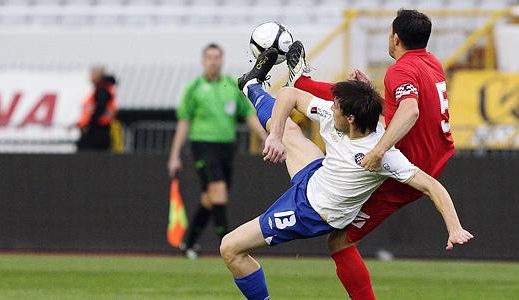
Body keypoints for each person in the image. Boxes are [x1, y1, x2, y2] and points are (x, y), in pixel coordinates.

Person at [220, 48, 473, 300]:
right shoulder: (337, 114)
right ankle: (251, 85)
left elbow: (432, 186)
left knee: (230, 248)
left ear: (351, 118)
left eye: (337, 106)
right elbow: (289, 94)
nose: (332, 107)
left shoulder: (383, 154)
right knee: (287, 131)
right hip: (315, 176)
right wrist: (273, 137)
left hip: (310, 213)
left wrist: (455, 228)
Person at [285, 9, 456, 299]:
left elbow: (410, 110)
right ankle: (302, 83)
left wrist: (378, 150)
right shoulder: (432, 64)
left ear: (395, 38)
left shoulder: (400, 70)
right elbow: (409, 109)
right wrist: (371, 92)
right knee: (357, 101)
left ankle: (301, 83)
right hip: (433, 154)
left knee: (339, 242)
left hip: (406, 168)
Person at [167, 43, 268, 259]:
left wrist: (265, 137)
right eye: (210, 57)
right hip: (202, 145)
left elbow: (248, 115)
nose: (214, 61)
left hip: (226, 147)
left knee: (210, 198)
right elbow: (183, 122)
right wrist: (175, 155)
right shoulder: (193, 87)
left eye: (217, 57)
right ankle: (229, 244)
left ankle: (188, 243)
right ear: (203, 61)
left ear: (222, 60)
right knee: (218, 191)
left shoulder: (231, 85)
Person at [76, 66, 117, 151]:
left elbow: (100, 108)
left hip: (97, 131)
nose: (90, 76)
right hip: (98, 130)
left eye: (92, 73)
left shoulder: (102, 90)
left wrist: (89, 124)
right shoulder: (103, 89)